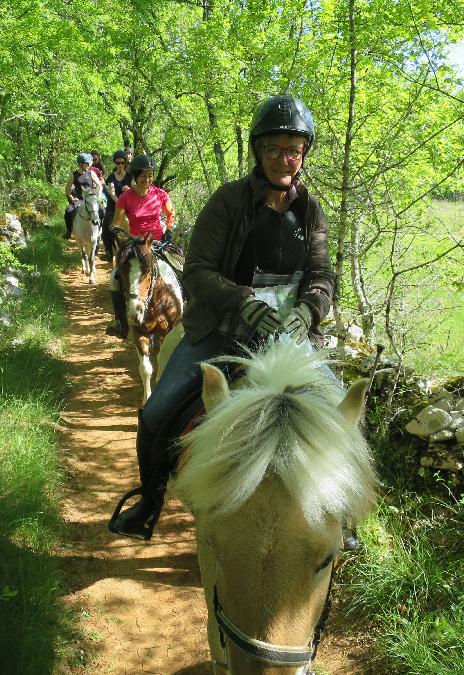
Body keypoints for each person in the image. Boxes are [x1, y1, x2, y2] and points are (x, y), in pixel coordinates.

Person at [108, 94, 335, 540]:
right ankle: (149, 502)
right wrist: (243, 301)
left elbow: (322, 275)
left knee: (345, 415)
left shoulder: (310, 210)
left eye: (293, 149)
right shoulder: (229, 202)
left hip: (288, 339)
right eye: (273, 148)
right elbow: (196, 271)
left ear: (304, 153)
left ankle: (338, 515)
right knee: (155, 414)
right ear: (257, 151)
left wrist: (308, 310)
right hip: (223, 332)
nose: (284, 159)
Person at [105, 154, 177, 338]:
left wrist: (168, 229)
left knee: (182, 267)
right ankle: (121, 322)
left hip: (159, 243)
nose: (147, 179)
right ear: (135, 176)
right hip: (136, 247)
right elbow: (116, 222)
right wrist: (115, 231)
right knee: (115, 279)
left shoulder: (160, 194)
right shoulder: (125, 198)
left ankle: (189, 312)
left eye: (150, 175)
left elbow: (171, 214)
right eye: (143, 176)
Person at [102, 150, 132, 261]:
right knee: (105, 229)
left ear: (125, 163)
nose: (120, 165)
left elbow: (136, 190)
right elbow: (112, 193)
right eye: (118, 163)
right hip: (113, 207)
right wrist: (120, 203)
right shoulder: (111, 177)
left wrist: (129, 189)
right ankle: (108, 252)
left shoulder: (130, 177)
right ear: (115, 163)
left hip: (129, 207)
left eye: (122, 163)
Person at [64, 153, 100, 239]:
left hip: (91, 199)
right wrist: (72, 199)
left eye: (88, 163)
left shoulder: (91, 173)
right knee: (68, 211)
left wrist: (97, 195)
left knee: (102, 210)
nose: (88, 165)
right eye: (86, 163)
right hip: (79, 200)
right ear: (80, 164)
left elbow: (99, 185)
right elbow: (67, 190)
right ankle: (69, 231)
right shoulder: (73, 175)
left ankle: (102, 230)